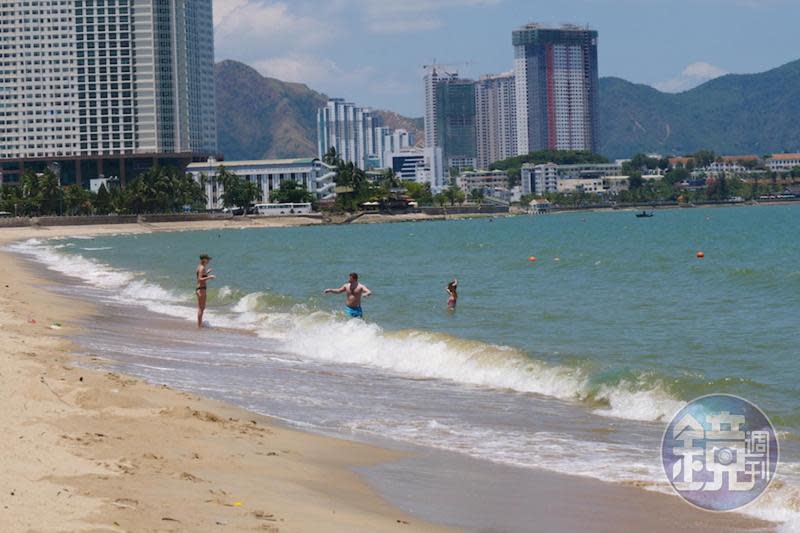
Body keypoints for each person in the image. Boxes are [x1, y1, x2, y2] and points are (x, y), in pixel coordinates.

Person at [196, 254, 216, 328]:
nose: (208, 261)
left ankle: (199, 324)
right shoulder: (201, 268)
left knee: (201, 308)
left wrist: (207, 273)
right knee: (201, 308)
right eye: (207, 259)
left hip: (199, 289)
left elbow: (201, 276)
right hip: (201, 289)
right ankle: (199, 325)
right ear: (203, 259)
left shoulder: (200, 267)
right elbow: (199, 279)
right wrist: (210, 277)